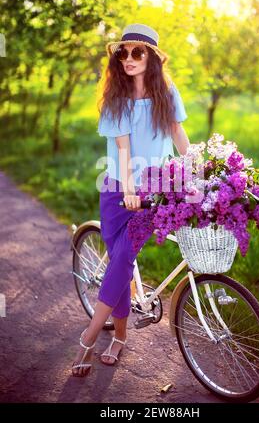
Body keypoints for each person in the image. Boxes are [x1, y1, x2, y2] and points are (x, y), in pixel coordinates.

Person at [71, 23, 190, 376]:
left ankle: (89, 336)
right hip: (117, 191)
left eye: (137, 52)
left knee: (122, 258)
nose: (128, 58)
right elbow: (123, 148)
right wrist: (127, 190)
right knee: (120, 265)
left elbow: (179, 134)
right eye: (123, 52)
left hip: (152, 192)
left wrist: (202, 167)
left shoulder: (167, 95)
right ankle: (119, 336)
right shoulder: (116, 98)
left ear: (152, 57)